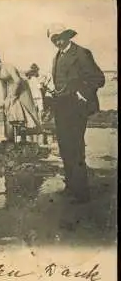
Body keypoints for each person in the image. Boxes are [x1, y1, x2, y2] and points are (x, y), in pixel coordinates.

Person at [47, 24, 105, 203]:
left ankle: (81, 192)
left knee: (76, 147)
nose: (57, 41)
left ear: (67, 35)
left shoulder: (81, 53)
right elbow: (60, 82)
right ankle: (70, 186)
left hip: (77, 106)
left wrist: (82, 93)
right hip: (61, 106)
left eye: (59, 37)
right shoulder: (57, 56)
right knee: (64, 146)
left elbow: (99, 79)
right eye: (53, 39)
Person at [0, 50, 41, 143]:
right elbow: (4, 86)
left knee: (24, 113)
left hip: (22, 90)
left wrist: (13, 96)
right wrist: (5, 99)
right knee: (9, 112)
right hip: (11, 90)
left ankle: (23, 139)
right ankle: (11, 138)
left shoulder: (8, 67)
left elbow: (18, 81)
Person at [25, 64, 54, 145]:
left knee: (35, 115)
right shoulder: (35, 79)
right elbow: (40, 89)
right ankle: (40, 131)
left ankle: (35, 131)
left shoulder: (30, 80)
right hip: (38, 99)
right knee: (40, 114)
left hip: (33, 99)